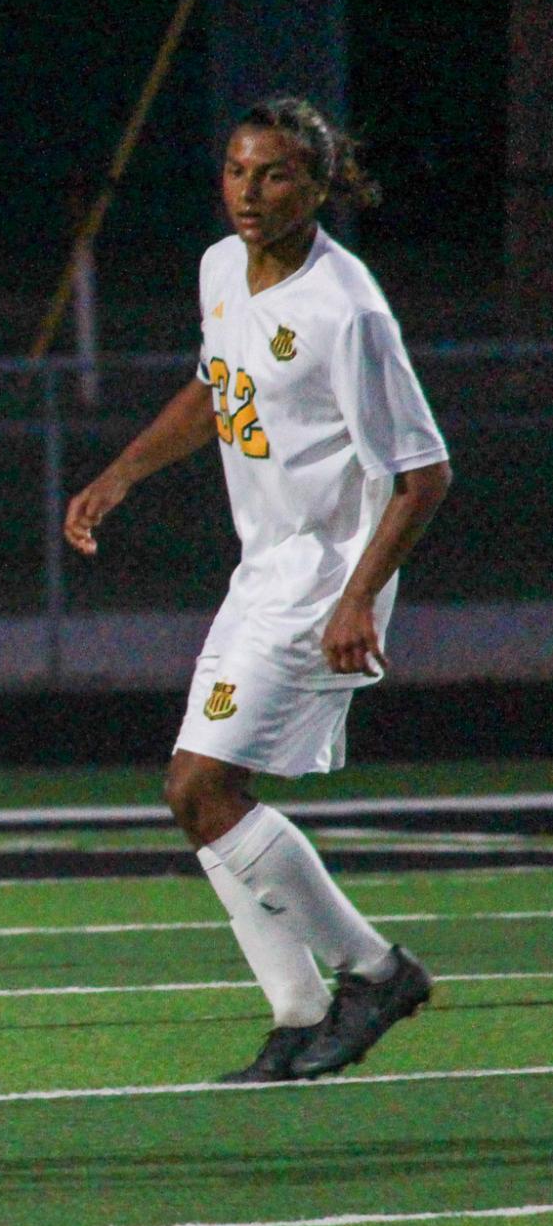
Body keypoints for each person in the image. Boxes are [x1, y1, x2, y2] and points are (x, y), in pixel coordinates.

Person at [64, 97, 452, 1084]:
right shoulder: (218, 267)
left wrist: (359, 599)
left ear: (318, 187)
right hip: (263, 570)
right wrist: (123, 473)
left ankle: (377, 969)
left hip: (326, 579)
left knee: (201, 786)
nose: (250, 190)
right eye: (238, 170)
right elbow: (215, 386)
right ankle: (296, 1011)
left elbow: (423, 474)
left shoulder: (346, 310)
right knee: (195, 796)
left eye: (275, 174)